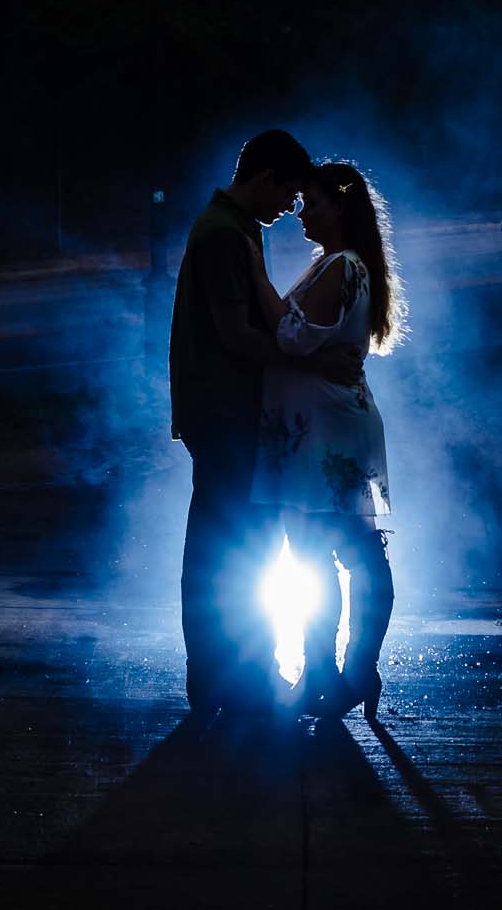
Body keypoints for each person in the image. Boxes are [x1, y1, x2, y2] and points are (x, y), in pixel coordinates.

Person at [169, 130, 363, 715]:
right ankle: (231, 681)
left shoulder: (236, 227)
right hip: (227, 415)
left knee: (231, 546)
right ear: (264, 177)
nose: (290, 209)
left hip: (230, 413)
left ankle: (233, 678)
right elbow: (234, 334)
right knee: (229, 549)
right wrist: (309, 355)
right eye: (287, 194)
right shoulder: (225, 234)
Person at [246, 160, 405, 720]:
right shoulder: (344, 264)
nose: (300, 213)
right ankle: (345, 672)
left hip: (325, 432)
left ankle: (340, 673)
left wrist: (258, 280)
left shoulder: (339, 265)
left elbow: (291, 336)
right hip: (333, 426)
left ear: (339, 206)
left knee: (326, 552)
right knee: (352, 551)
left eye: (311, 204)